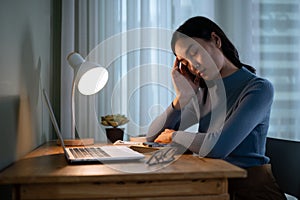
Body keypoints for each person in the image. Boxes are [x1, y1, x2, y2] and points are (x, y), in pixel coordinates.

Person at [146, 16, 286, 200]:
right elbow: (152, 136)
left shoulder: (258, 88)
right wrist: (182, 98)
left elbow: (218, 146)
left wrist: (174, 135)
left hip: (251, 190)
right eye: (184, 62)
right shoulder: (205, 91)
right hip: (212, 183)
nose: (192, 66)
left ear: (216, 40)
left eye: (194, 52)